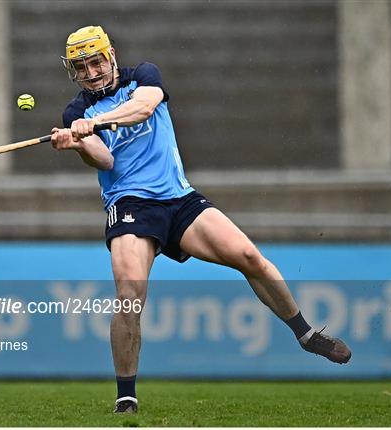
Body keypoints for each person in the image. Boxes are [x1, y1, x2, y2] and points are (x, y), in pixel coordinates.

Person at [51, 25, 351, 414]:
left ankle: (306, 334)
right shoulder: (77, 112)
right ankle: (126, 398)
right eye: (81, 67)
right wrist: (78, 141)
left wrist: (101, 123)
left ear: (110, 57)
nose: (91, 73)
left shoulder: (143, 75)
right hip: (130, 204)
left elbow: (144, 107)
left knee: (250, 257)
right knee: (129, 294)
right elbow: (104, 160)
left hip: (179, 198)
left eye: (95, 62)